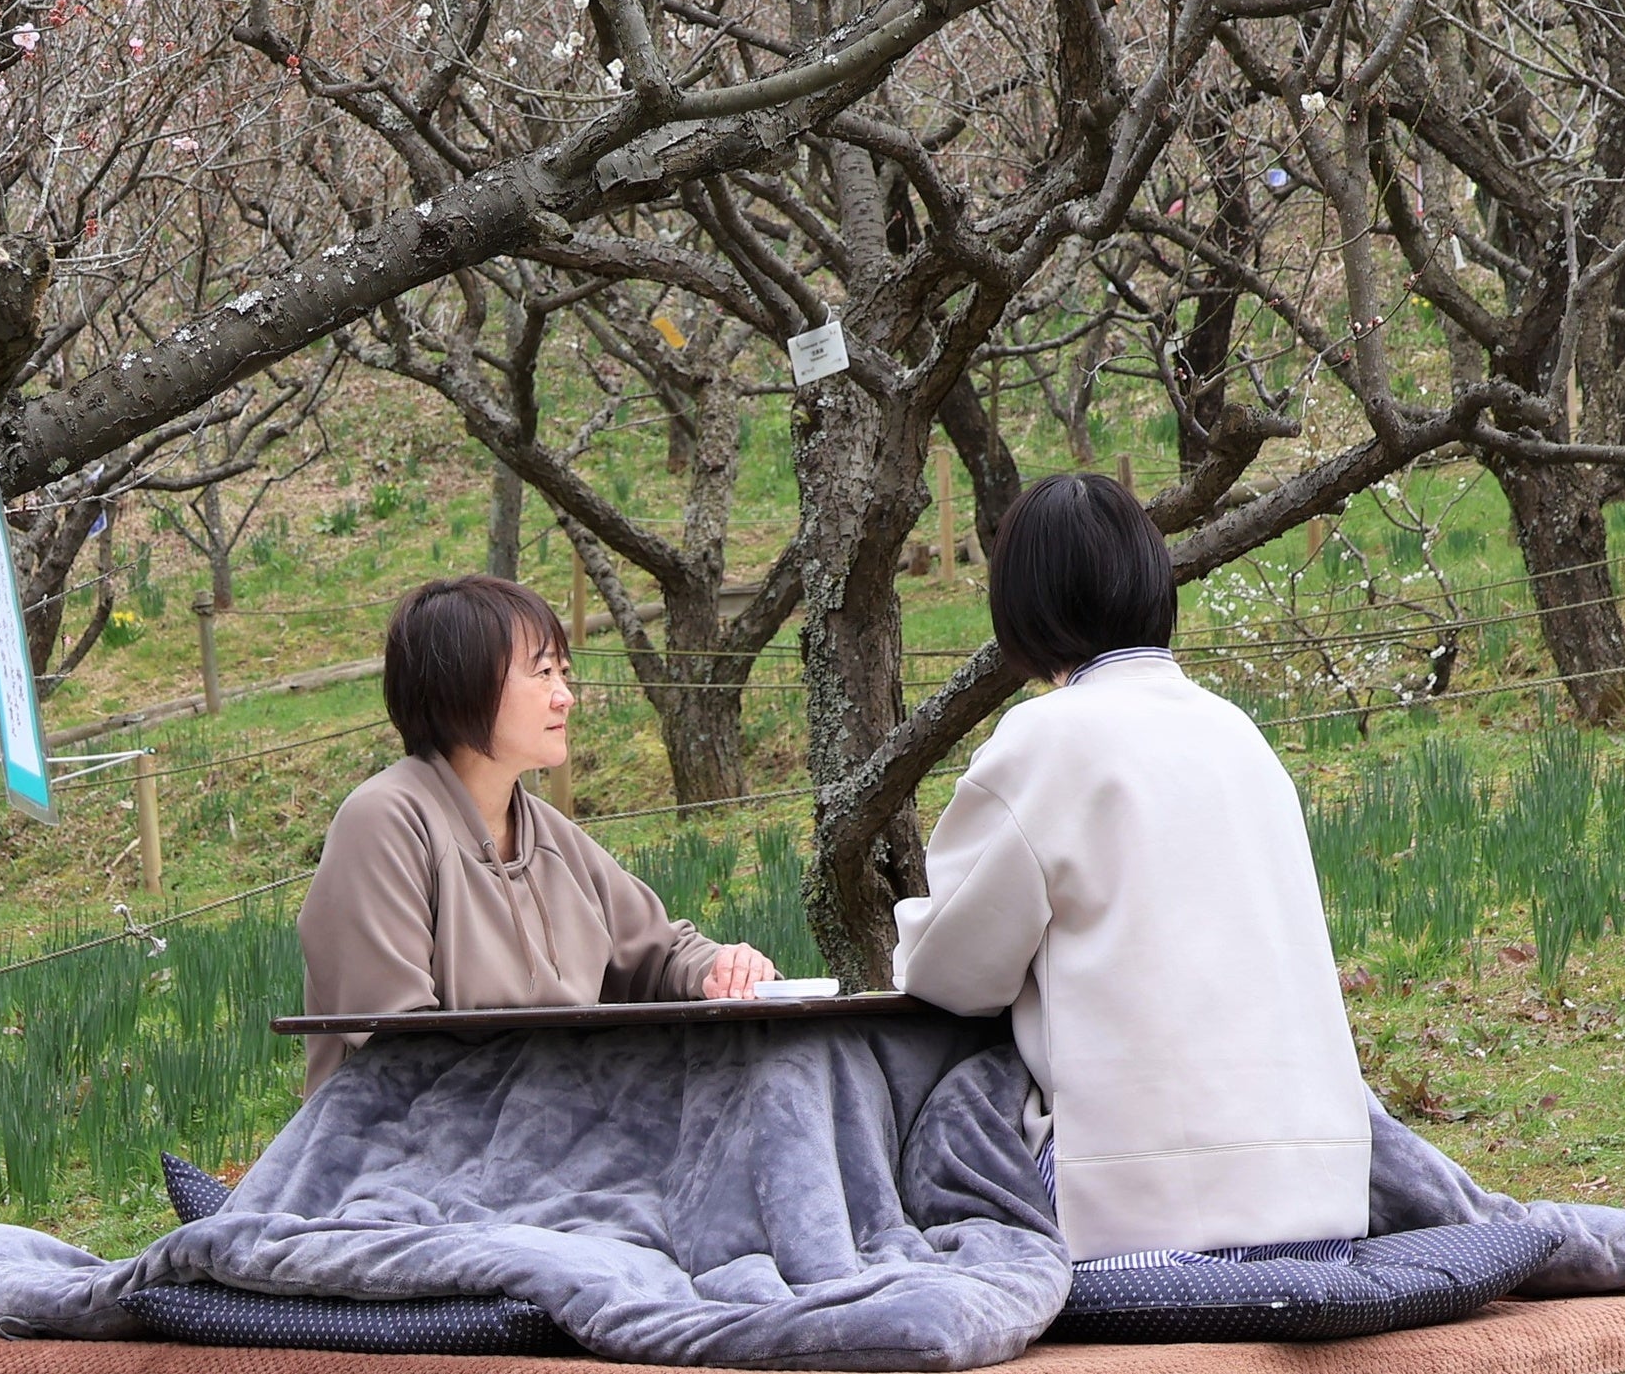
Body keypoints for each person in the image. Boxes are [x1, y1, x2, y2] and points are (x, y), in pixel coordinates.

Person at [890, 474, 1370, 1261]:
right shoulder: (1238, 734)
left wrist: (908, 933)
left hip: (1144, 1218)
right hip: (1324, 1209)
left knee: (937, 1130)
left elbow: (951, 970)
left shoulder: (1046, 740)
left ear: (1022, 609)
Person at [296, 574, 776, 1087]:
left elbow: (659, 954)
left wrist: (721, 968)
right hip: (410, 1148)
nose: (564, 697)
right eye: (543, 672)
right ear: (463, 683)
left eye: (562, 672)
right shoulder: (385, 822)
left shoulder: (550, 834)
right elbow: (399, 1046)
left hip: (557, 1133)